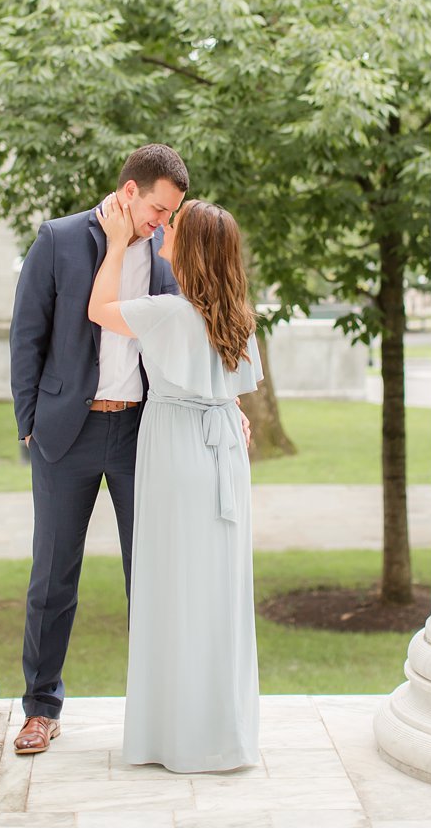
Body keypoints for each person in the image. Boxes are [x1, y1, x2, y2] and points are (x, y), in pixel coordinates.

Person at [7, 144, 189, 754]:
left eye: (170, 215)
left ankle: (159, 708)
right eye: (158, 209)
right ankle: (40, 706)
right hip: (67, 432)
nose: (162, 223)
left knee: (152, 574)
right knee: (53, 576)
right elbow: (26, 333)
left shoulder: (163, 253)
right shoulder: (58, 239)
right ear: (131, 191)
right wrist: (29, 421)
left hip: (142, 431)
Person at [89, 196, 263, 772]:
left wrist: (116, 245)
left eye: (176, 226)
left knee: (172, 590)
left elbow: (100, 309)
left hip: (178, 451)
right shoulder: (235, 312)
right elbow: (225, 383)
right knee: (216, 592)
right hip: (223, 453)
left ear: (189, 249)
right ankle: (221, 731)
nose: (165, 228)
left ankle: (174, 736)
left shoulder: (168, 311)